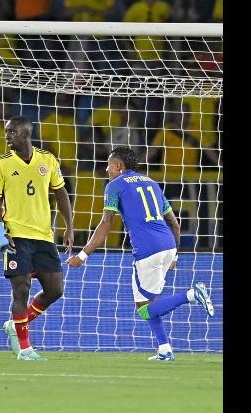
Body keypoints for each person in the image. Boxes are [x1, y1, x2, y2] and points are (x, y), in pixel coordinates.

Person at [66, 147, 214, 361]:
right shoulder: (152, 184)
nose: (106, 169)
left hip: (147, 250)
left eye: (109, 164)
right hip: (168, 245)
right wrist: (175, 255)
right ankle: (165, 349)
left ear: (118, 166)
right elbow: (174, 223)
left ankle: (191, 295)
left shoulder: (114, 186)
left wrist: (82, 255)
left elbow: (106, 224)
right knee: (149, 301)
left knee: (144, 310)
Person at [0, 116, 74, 361]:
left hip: (44, 236)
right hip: (16, 236)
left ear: (25, 134)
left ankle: (16, 324)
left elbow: (61, 193)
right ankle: (25, 349)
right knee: (21, 289)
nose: (7, 136)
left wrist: (68, 225)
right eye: (6, 131)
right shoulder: (1, 164)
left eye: (11, 132)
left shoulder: (47, 160)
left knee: (55, 289)